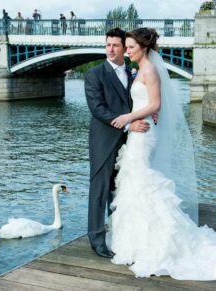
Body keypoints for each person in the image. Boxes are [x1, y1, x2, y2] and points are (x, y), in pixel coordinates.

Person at [108, 27, 216, 280]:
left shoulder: (150, 70)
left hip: (144, 136)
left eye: (131, 47)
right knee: (136, 183)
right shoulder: (141, 69)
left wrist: (128, 117)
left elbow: (156, 103)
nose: (128, 50)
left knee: (143, 182)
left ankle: (160, 240)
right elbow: (149, 104)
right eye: (128, 46)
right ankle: (137, 240)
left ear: (143, 47)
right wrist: (137, 116)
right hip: (139, 132)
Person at [84, 28, 151, 258]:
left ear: (124, 48)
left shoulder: (133, 72)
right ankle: (96, 239)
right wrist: (127, 125)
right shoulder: (94, 74)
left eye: (115, 45)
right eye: (107, 45)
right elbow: (98, 109)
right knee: (99, 190)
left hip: (130, 143)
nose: (110, 49)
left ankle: (119, 233)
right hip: (104, 141)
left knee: (121, 189)